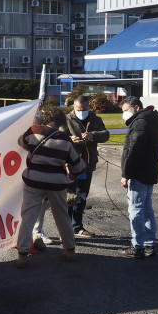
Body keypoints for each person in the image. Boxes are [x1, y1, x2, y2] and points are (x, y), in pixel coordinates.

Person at [15, 105, 87, 268]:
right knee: (62, 216)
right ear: (60, 121)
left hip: (33, 181)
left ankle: (23, 254)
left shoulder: (33, 130)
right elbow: (77, 166)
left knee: (28, 217)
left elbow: (22, 142)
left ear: (46, 118)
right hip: (56, 184)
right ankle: (70, 250)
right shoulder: (65, 139)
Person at [120, 96, 158, 258]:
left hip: (138, 173)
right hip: (149, 172)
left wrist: (126, 174)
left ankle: (137, 246)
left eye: (125, 110)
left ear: (136, 108)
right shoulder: (152, 121)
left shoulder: (139, 123)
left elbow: (134, 152)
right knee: (147, 209)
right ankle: (149, 245)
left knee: (136, 210)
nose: (124, 114)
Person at [65, 95, 110, 237]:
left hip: (87, 164)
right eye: (79, 109)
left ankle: (77, 227)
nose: (81, 111)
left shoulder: (95, 119)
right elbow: (57, 136)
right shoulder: (67, 119)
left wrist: (93, 135)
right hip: (70, 165)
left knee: (82, 196)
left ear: (89, 107)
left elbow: (106, 134)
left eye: (84, 109)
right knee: (69, 197)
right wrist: (69, 139)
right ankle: (65, 228)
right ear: (74, 107)